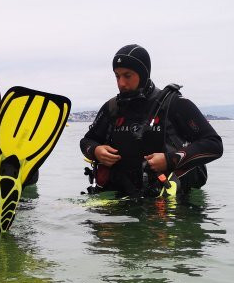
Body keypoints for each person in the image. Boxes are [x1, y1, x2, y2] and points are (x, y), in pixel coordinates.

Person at [80, 44, 223, 198]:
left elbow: (214, 145)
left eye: (127, 75)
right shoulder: (112, 108)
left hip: (170, 206)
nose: (121, 83)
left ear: (142, 74)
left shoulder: (174, 104)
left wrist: (170, 160)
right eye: (117, 76)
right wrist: (96, 151)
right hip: (119, 200)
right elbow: (87, 141)